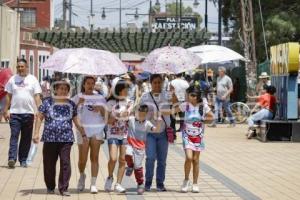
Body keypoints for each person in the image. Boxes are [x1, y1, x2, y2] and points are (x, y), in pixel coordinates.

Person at [32, 79, 87, 196]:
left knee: (65, 162)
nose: (63, 91)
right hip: (49, 138)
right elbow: (40, 117)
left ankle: (63, 188)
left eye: (66, 89)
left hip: (66, 138)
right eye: (61, 89)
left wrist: (83, 133)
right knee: (49, 164)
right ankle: (50, 186)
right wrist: (36, 133)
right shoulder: (47, 102)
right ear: (55, 90)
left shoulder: (71, 104)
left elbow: (76, 121)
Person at [3, 58, 42, 168]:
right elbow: (8, 96)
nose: (20, 68)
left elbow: (37, 96)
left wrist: (40, 110)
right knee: (14, 136)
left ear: (26, 67)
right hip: (15, 113)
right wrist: (5, 110)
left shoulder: (33, 79)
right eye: (18, 67)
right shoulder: (12, 79)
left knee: (26, 138)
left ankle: (23, 159)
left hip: (28, 113)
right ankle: (12, 158)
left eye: (22, 66)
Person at [72, 76, 106, 193]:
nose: (90, 86)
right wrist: (78, 104)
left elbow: (106, 115)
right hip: (83, 131)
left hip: (97, 130)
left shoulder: (100, 97)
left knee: (94, 157)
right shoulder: (77, 97)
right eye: (88, 83)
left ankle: (93, 183)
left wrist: (101, 109)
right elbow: (70, 112)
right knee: (82, 159)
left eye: (92, 83)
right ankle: (82, 176)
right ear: (84, 84)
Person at [140, 74, 171, 191]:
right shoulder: (145, 96)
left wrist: (162, 111)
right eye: (155, 82)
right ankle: (148, 182)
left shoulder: (167, 95)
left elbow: (174, 110)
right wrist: (149, 113)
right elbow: (140, 114)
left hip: (163, 132)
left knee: (162, 160)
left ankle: (160, 183)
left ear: (162, 83)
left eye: (159, 82)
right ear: (150, 83)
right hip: (150, 132)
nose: (157, 85)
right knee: (150, 158)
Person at [104, 78, 133, 193]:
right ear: (119, 90)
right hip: (113, 134)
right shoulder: (110, 103)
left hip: (125, 134)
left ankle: (118, 184)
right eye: (125, 89)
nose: (127, 91)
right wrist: (117, 115)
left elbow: (132, 114)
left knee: (122, 159)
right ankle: (110, 177)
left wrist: (129, 113)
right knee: (113, 158)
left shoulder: (129, 103)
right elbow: (107, 121)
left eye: (128, 89)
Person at [125, 104, 161, 194]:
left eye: (143, 114)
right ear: (137, 112)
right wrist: (127, 109)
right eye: (140, 113)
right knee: (127, 154)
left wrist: (159, 122)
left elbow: (155, 130)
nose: (141, 116)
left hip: (140, 148)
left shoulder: (147, 123)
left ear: (146, 114)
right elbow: (123, 118)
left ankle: (140, 184)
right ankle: (130, 166)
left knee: (138, 166)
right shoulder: (131, 120)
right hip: (130, 144)